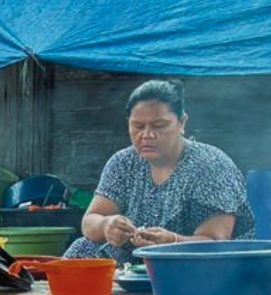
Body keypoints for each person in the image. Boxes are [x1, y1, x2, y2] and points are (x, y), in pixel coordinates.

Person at [70, 79, 254, 261]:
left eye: (159, 126)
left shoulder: (211, 165)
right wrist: (106, 225)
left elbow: (215, 243)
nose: (147, 135)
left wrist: (173, 242)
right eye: (138, 126)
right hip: (130, 263)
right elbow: (90, 221)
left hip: (195, 265)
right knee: (83, 247)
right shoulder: (123, 162)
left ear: (182, 123)